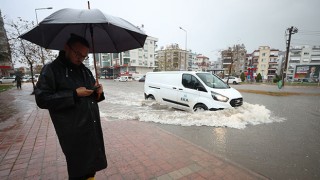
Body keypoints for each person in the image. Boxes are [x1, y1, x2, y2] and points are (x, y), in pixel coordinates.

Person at [35, 34, 107, 180]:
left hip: (92, 127)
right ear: (66, 47)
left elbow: (89, 96)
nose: (80, 58)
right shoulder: (51, 70)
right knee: (79, 169)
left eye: (84, 56)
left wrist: (98, 93)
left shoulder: (85, 70)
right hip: (72, 130)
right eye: (77, 53)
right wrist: (73, 94)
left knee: (91, 167)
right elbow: (42, 99)